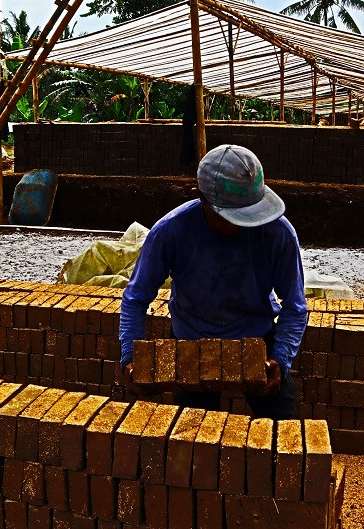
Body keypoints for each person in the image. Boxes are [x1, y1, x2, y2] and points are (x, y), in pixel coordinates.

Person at [119, 144, 308, 419]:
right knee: (194, 442)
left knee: (283, 437)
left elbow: (295, 305)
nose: (245, 225)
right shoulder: (171, 232)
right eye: (233, 217)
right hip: (190, 343)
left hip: (258, 338)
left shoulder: (278, 234)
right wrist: (130, 358)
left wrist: (280, 359)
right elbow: (136, 298)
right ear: (201, 197)